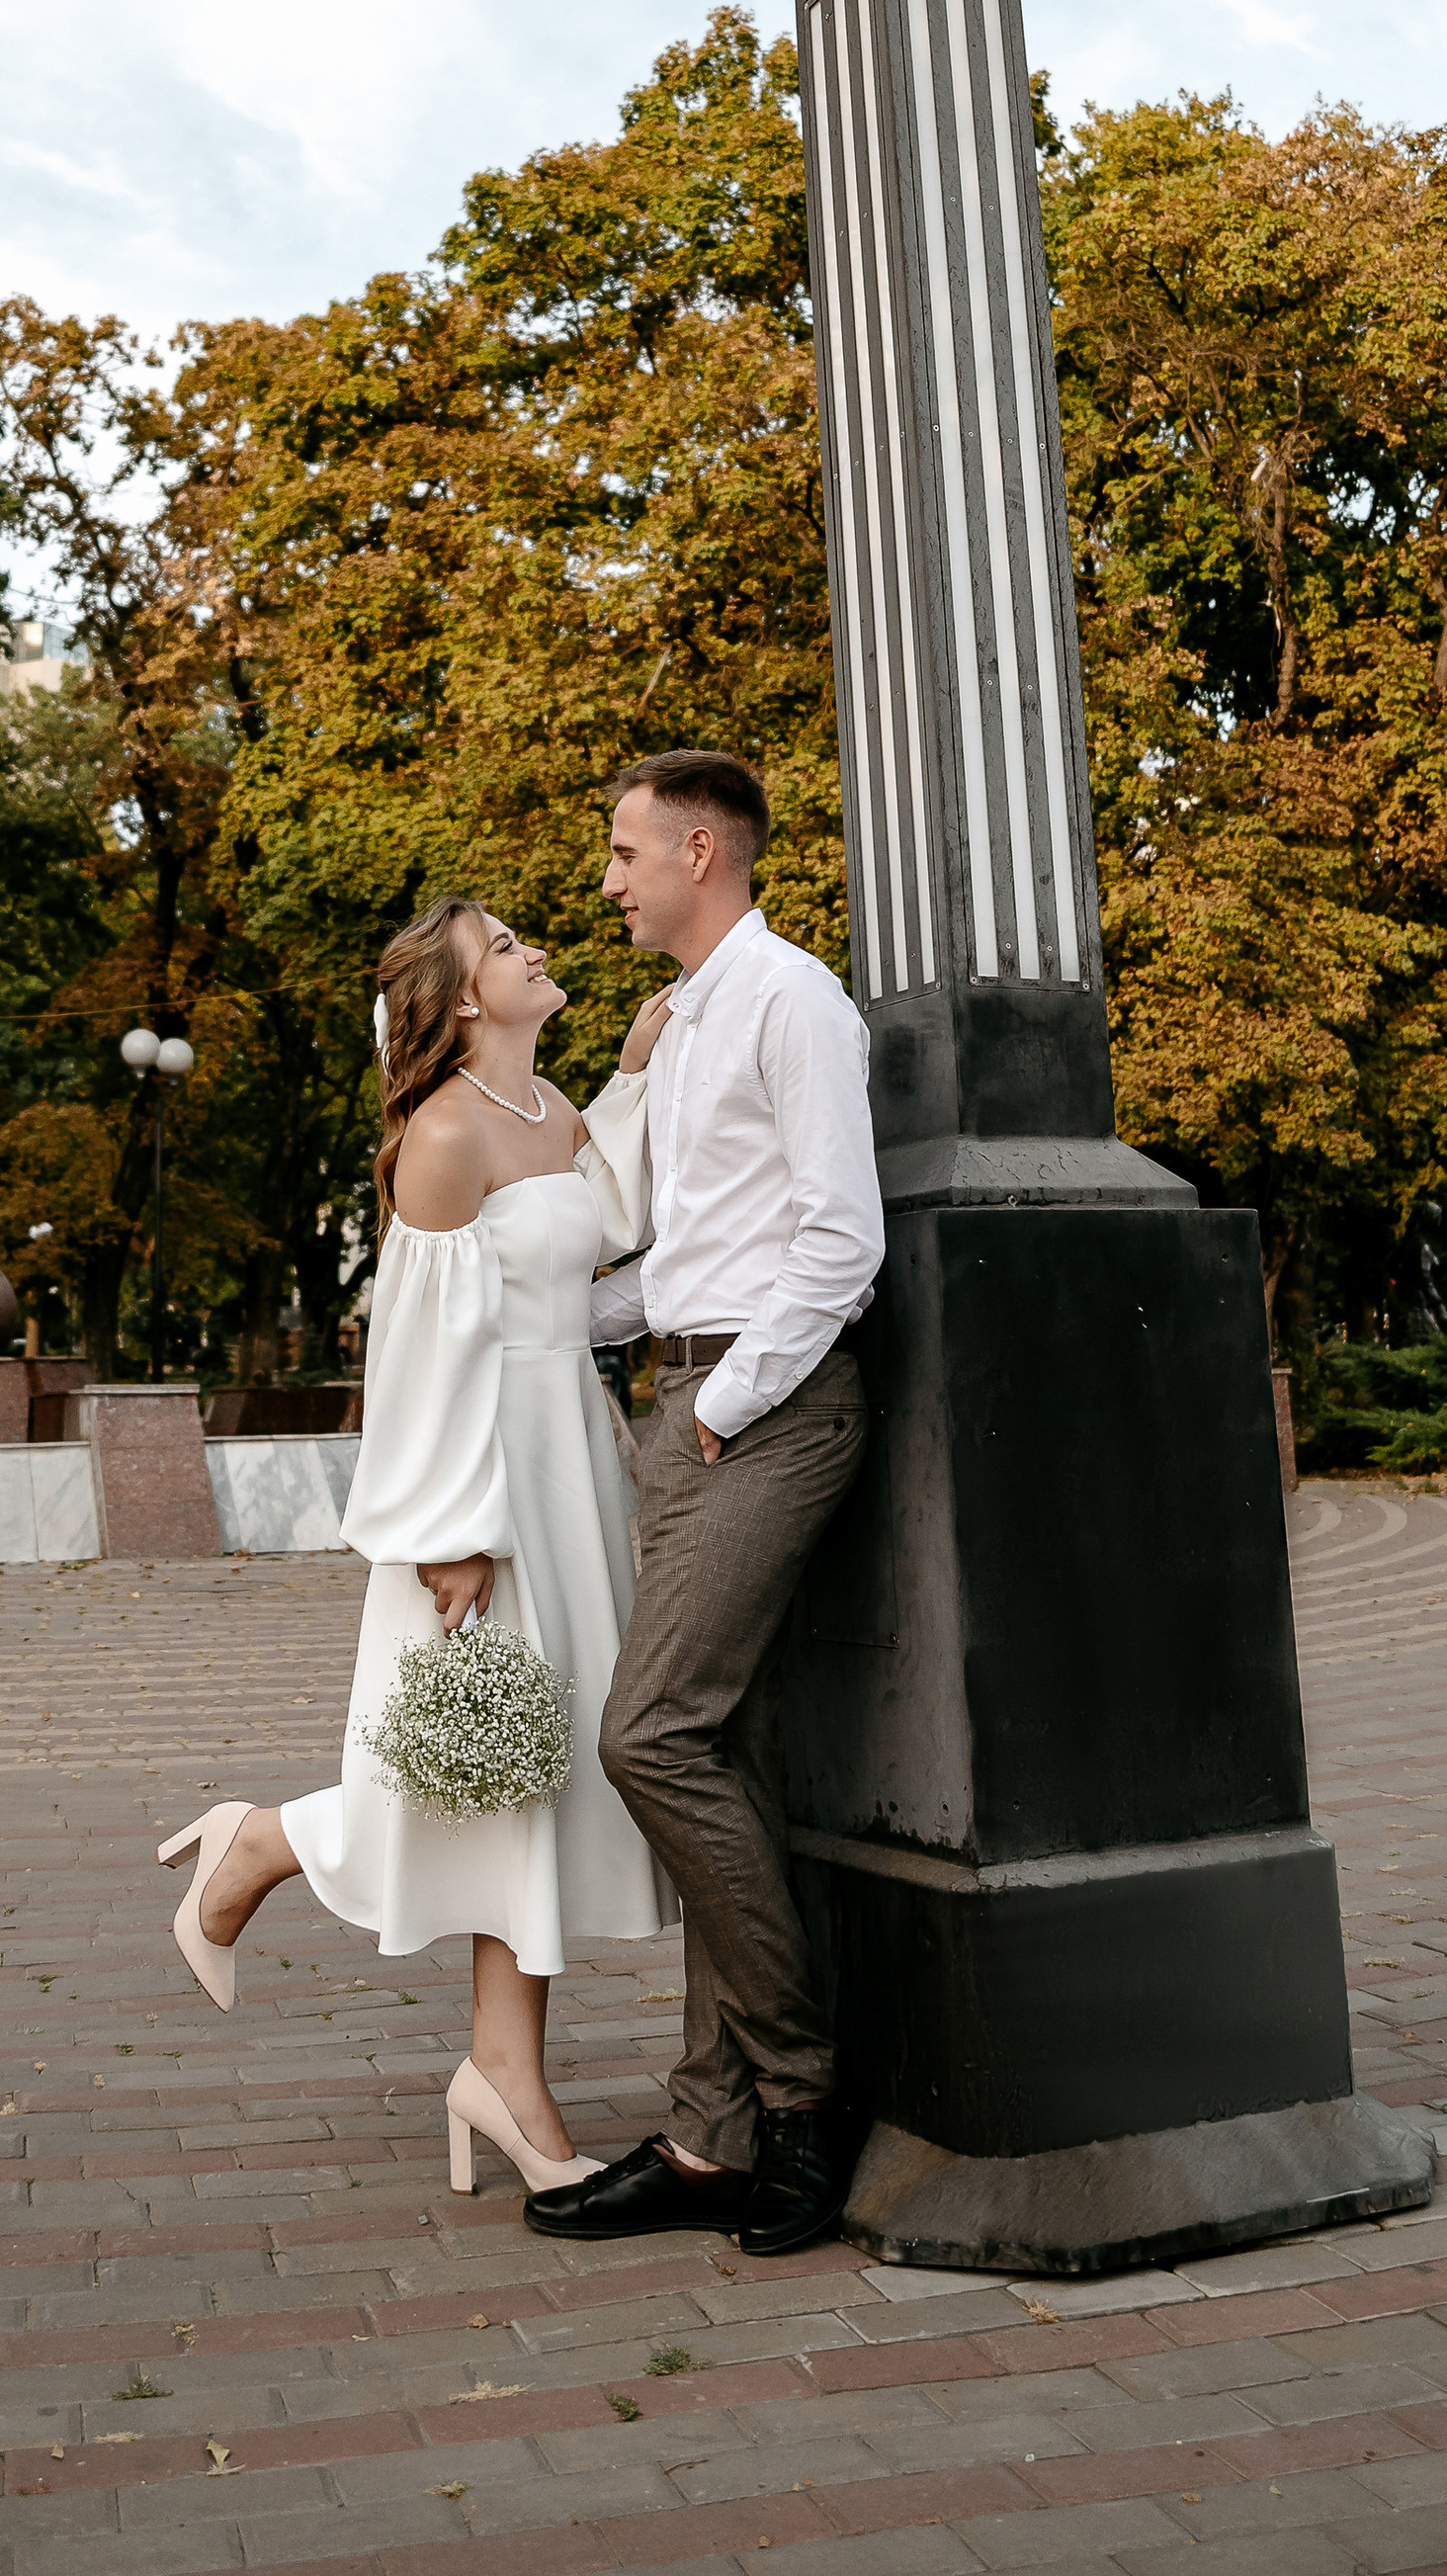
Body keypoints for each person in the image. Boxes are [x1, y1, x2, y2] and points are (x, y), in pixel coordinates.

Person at [157, 898, 673, 2196]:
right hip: (484, 1486)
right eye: (505, 947)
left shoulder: (549, 1106)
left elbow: (599, 1235)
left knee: (531, 1782)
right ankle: (264, 1843)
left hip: (571, 1463)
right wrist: (452, 1532)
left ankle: (501, 2066)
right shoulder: (442, 1137)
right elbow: (423, 1354)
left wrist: (630, 1079)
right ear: (455, 1002)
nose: (535, 950)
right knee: (483, 1770)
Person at [523, 748, 883, 2264]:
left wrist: (730, 1406)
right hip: (681, 1402)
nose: (607, 880)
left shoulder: (795, 997)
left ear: (699, 848)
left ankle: (804, 2099)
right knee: (710, 1748)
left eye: (621, 852)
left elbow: (838, 1234)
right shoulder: (675, 1029)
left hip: (770, 1408)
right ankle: (704, 2132)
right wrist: (546, 1310)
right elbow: (682, 1255)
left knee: (646, 1732)